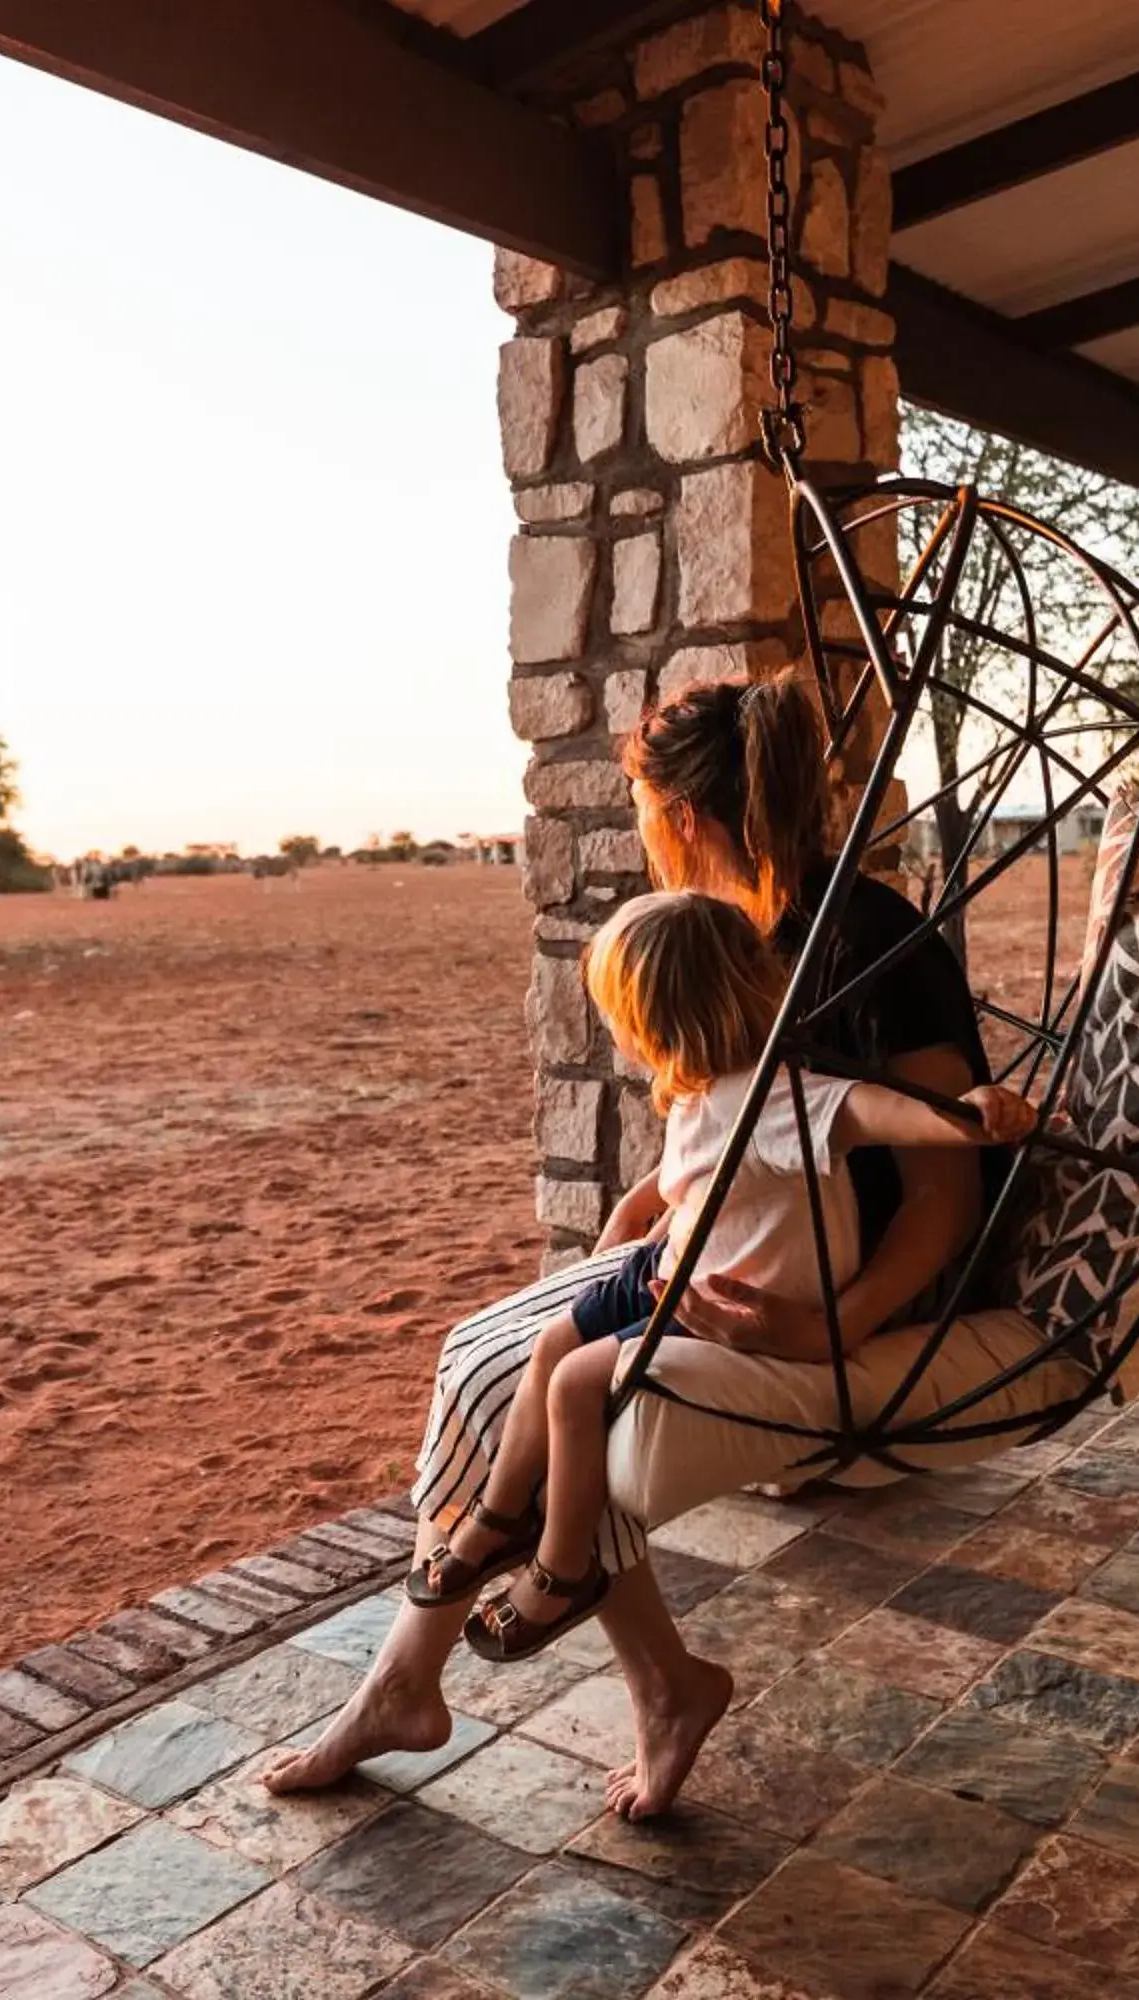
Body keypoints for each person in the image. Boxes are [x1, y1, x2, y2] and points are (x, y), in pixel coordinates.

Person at [264, 673, 1090, 1820]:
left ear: (684, 817)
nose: (646, 837)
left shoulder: (861, 942)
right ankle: (572, 1678)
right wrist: (655, 1190)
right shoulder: (751, 933)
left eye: (644, 813)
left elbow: (940, 1188)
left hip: (868, 1286)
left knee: (530, 1377)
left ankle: (469, 1667)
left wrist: (831, 1327)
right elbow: (741, 1113)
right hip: (745, 1249)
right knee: (489, 1349)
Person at [417, 888, 1036, 1662]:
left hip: (731, 1297)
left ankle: (563, 1569)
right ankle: (500, 1518)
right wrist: (637, 1217)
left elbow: (884, 1114)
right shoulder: (704, 1088)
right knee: (548, 1346)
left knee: (576, 1385)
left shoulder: (780, 1100)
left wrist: (967, 1114)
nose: (613, 1030)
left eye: (615, 1013)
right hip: (677, 1263)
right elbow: (698, 1177)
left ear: (654, 1019)